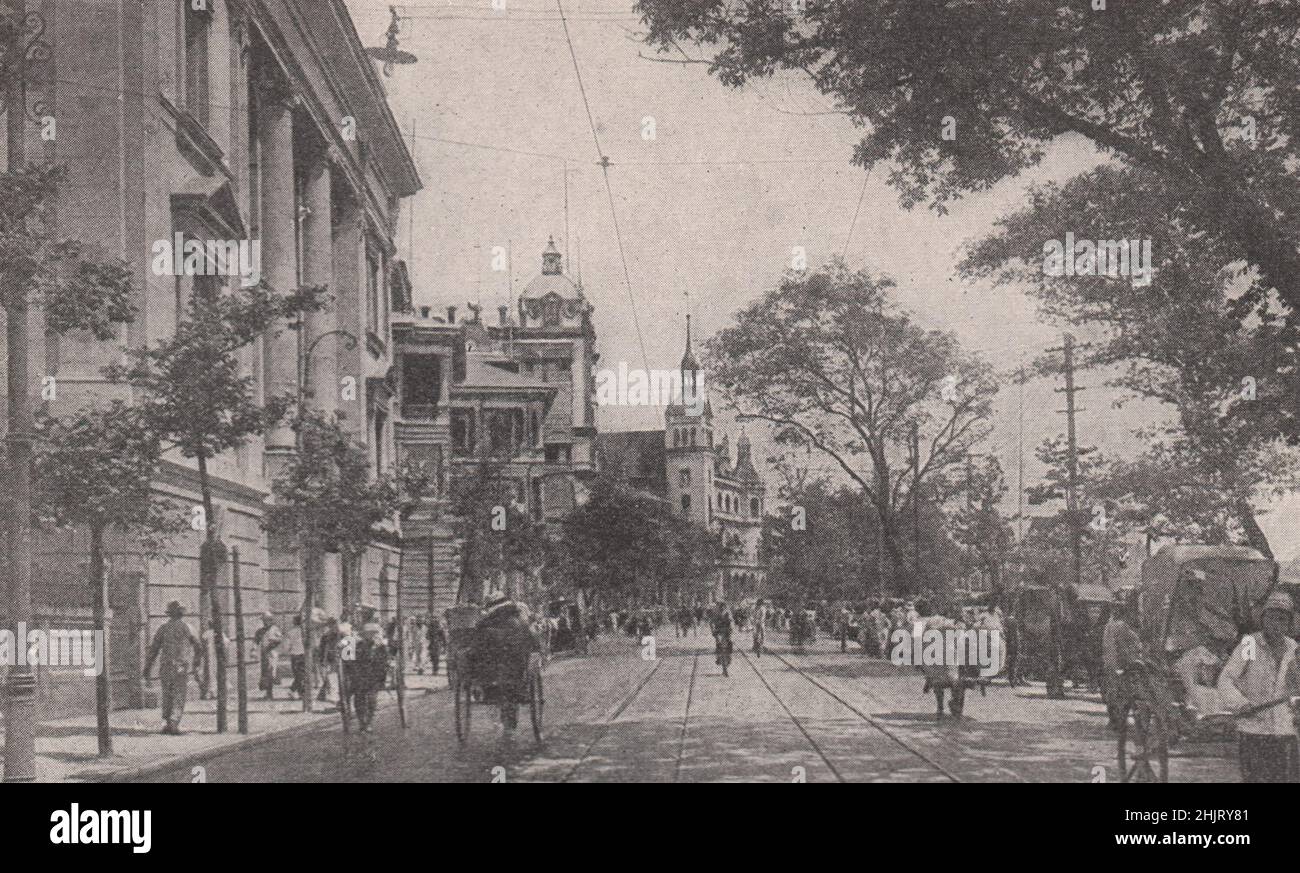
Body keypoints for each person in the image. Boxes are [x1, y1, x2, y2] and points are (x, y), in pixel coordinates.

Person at [1217, 591, 1300, 783]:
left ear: (1289, 623)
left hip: (1285, 732)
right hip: (1254, 731)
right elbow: (1226, 679)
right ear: (1263, 619)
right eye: (1271, 617)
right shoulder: (1250, 644)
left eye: (1282, 619)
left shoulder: (1293, 648)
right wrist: (1241, 704)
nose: (1276, 623)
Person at [475, 592, 542, 732]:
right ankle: (509, 721)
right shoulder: (518, 619)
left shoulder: (488, 623)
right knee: (512, 688)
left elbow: (478, 645)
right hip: (514, 665)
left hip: (494, 667)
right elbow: (532, 640)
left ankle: (505, 717)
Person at [144, 601, 204, 735]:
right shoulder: (189, 628)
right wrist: (196, 664)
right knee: (179, 693)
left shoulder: (163, 628)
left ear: (170, 614)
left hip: (165, 665)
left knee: (167, 693)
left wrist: (147, 667)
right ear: (181, 614)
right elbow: (199, 647)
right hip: (181, 666)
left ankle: (168, 722)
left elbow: (154, 649)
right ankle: (174, 722)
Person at [1101, 590, 1142, 730]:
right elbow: (1130, 645)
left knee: (1114, 693)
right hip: (1119, 664)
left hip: (1111, 664)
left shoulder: (1110, 624)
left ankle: (1115, 720)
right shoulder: (1120, 626)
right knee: (1122, 694)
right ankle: (1118, 721)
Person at [343, 622, 391, 734]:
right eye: (368, 634)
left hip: (374, 678)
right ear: (364, 635)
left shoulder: (381, 647)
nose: (371, 636)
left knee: (372, 701)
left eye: (373, 633)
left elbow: (385, 662)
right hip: (359, 677)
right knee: (359, 700)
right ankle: (361, 722)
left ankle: (368, 722)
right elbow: (348, 662)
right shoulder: (354, 644)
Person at [254, 612, 282, 700]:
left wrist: (272, 644)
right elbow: (256, 641)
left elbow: (280, 640)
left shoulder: (275, 629)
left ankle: (269, 693)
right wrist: (254, 650)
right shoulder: (260, 631)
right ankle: (268, 693)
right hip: (264, 654)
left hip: (272, 653)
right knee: (265, 672)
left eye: (267, 620)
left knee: (271, 672)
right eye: (264, 621)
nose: (265, 622)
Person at [318, 617, 342, 701]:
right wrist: (323, 660)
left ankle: (328, 694)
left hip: (335, 657)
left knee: (331, 676)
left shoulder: (338, 634)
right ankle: (330, 694)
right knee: (331, 676)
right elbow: (324, 649)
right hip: (331, 658)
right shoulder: (327, 635)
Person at [285, 614, 307, 698]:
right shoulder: (304, 632)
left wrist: (289, 650)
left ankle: (295, 691)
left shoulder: (290, 632)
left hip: (294, 655)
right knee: (302, 675)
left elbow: (287, 646)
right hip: (303, 654)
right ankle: (299, 692)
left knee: (297, 674)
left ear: (294, 622)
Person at [711, 601, 733, 676]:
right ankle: (718, 657)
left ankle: (729, 656)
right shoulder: (716, 613)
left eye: (724, 607)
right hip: (719, 632)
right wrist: (713, 630)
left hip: (726, 632)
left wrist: (731, 629)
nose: (722, 608)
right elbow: (712, 623)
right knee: (719, 645)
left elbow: (731, 622)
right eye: (721, 607)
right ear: (719, 607)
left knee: (730, 643)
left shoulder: (728, 613)